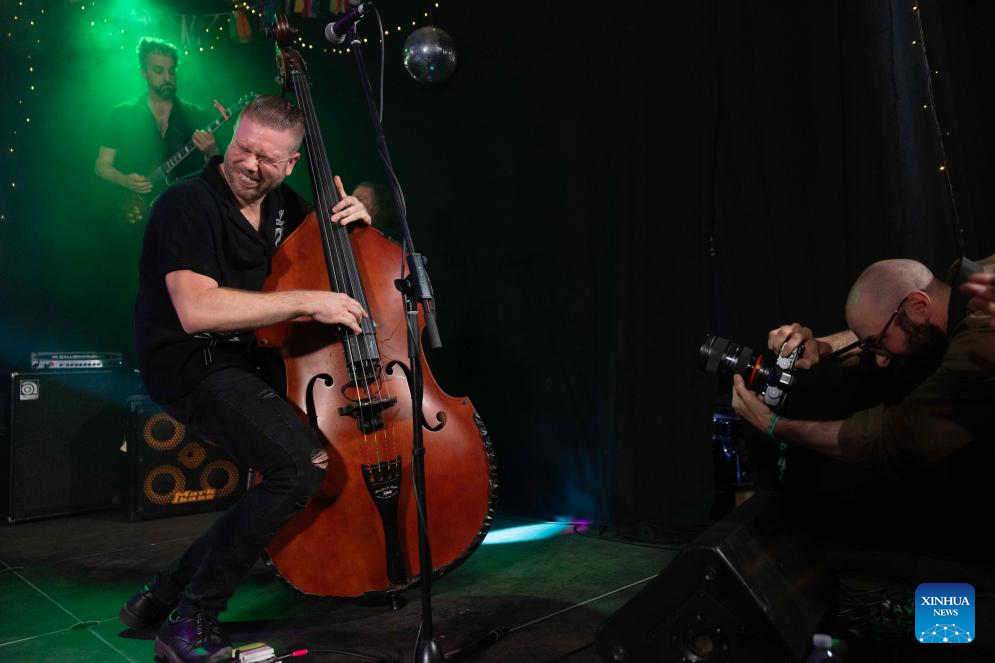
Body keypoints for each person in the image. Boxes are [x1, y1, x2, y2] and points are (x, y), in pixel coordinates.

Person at [119, 95, 371, 663]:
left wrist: (357, 220)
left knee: (296, 469)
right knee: (299, 466)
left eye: (268, 159)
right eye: (243, 149)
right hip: (189, 361)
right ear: (232, 137)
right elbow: (197, 311)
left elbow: (335, 252)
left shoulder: (285, 206)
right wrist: (308, 300)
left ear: (292, 162)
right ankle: (190, 622)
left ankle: (165, 592)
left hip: (250, 361)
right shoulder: (184, 204)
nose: (250, 165)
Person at [731, 256, 995, 464]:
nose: (880, 361)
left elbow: (899, 434)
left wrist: (775, 425)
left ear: (919, 306)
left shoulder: (981, 341)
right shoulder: (971, 282)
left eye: (878, 343)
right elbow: (892, 326)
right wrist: (823, 347)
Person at [94, 37, 219, 222]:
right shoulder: (121, 114)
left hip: (188, 215)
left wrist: (212, 151)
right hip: (138, 216)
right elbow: (101, 165)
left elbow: (219, 171)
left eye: (171, 71)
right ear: (143, 72)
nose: (167, 78)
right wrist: (126, 181)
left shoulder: (198, 115)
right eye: (159, 71)